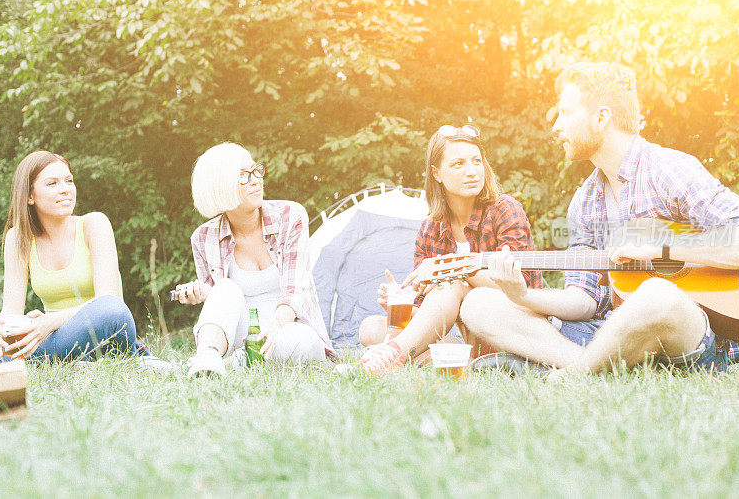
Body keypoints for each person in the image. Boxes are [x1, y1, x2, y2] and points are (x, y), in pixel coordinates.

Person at [459, 62, 739, 375]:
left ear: (601, 118)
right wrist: (523, 295)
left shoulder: (669, 170)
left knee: (657, 294)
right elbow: (583, 301)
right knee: (479, 304)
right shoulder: (584, 201)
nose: (556, 126)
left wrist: (662, 248)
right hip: (611, 334)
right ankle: (597, 368)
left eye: (566, 113)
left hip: (687, 339)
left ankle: (567, 372)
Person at [358, 124, 543, 376]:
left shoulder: (504, 210)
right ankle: (461, 363)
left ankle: (392, 356)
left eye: (476, 161)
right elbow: (428, 311)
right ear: (436, 173)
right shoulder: (431, 229)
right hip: (470, 343)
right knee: (371, 328)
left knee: (452, 283)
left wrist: (457, 269)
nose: (472, 171)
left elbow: (525, 285)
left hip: (515, 331)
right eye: (459, 164)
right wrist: (397, 304)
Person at [177, 143, 333, 377]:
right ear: (220, 186)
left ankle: (225, 364)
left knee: (299, 341)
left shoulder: (291, 216)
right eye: (243, 176)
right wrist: (202, 293)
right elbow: (219, 304)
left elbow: (295, 292)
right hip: (238, 337)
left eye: (255, 171)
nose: (256, 180)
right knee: (225, 287)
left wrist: (275, 327)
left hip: (288, 329)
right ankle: (208, 356)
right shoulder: (203, 237)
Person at [0, 151, 138, 363]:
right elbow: (10, 313)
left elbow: (108, 301)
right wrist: (8, 328)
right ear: (29, 196)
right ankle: (37, 358)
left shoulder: (94, 224)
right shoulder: (18, 238)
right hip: (50, 339)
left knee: (112, 310)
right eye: (52, 183)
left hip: (100, 333)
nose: (65, 190)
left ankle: (26, 360)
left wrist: (48, 322)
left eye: (69, 181)